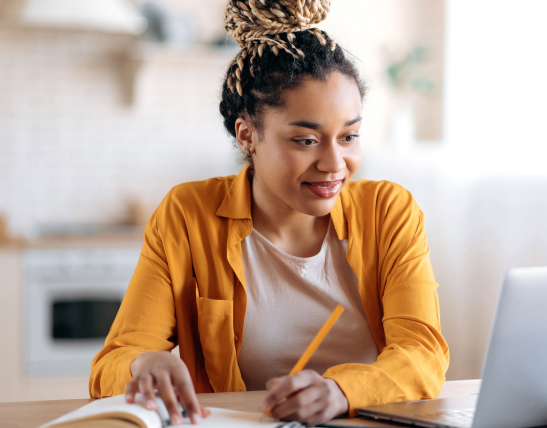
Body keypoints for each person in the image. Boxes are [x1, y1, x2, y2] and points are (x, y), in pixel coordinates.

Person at [89, 0, 449, 425]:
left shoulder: (389, 211)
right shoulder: (188, 215)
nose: (335, 163)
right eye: (305, 140)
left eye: (349, 136)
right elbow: (112, 364)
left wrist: (339, 392)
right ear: (248, 135)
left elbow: (422, 353)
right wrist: (143, 365)